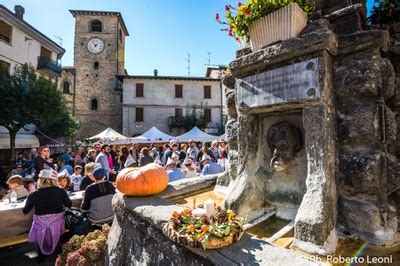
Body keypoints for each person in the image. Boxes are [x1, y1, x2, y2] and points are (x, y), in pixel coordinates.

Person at [23, 169, 72, 262]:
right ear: (54, 179)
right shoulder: (60, 191)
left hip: (40, 224)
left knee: (39, 227)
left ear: (40, 180)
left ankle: (41, 256)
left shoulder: (33, 194)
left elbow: (25, 210)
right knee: (57, 227)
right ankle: (59, 252)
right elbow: (69, 204)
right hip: (57, 223)